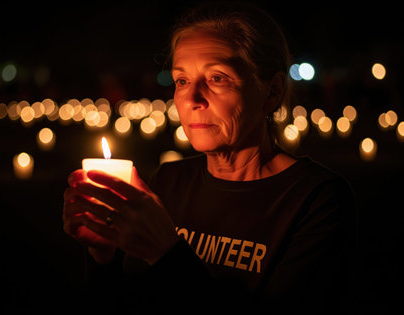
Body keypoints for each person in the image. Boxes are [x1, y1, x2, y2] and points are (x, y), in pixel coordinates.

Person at [63, 2, 355, 313]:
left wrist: (166, 253)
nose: (191, 99)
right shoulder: (167, 182)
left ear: (271, 92)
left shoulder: (316, 201)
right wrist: (103, 257)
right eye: (182, 81)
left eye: (217, 78)